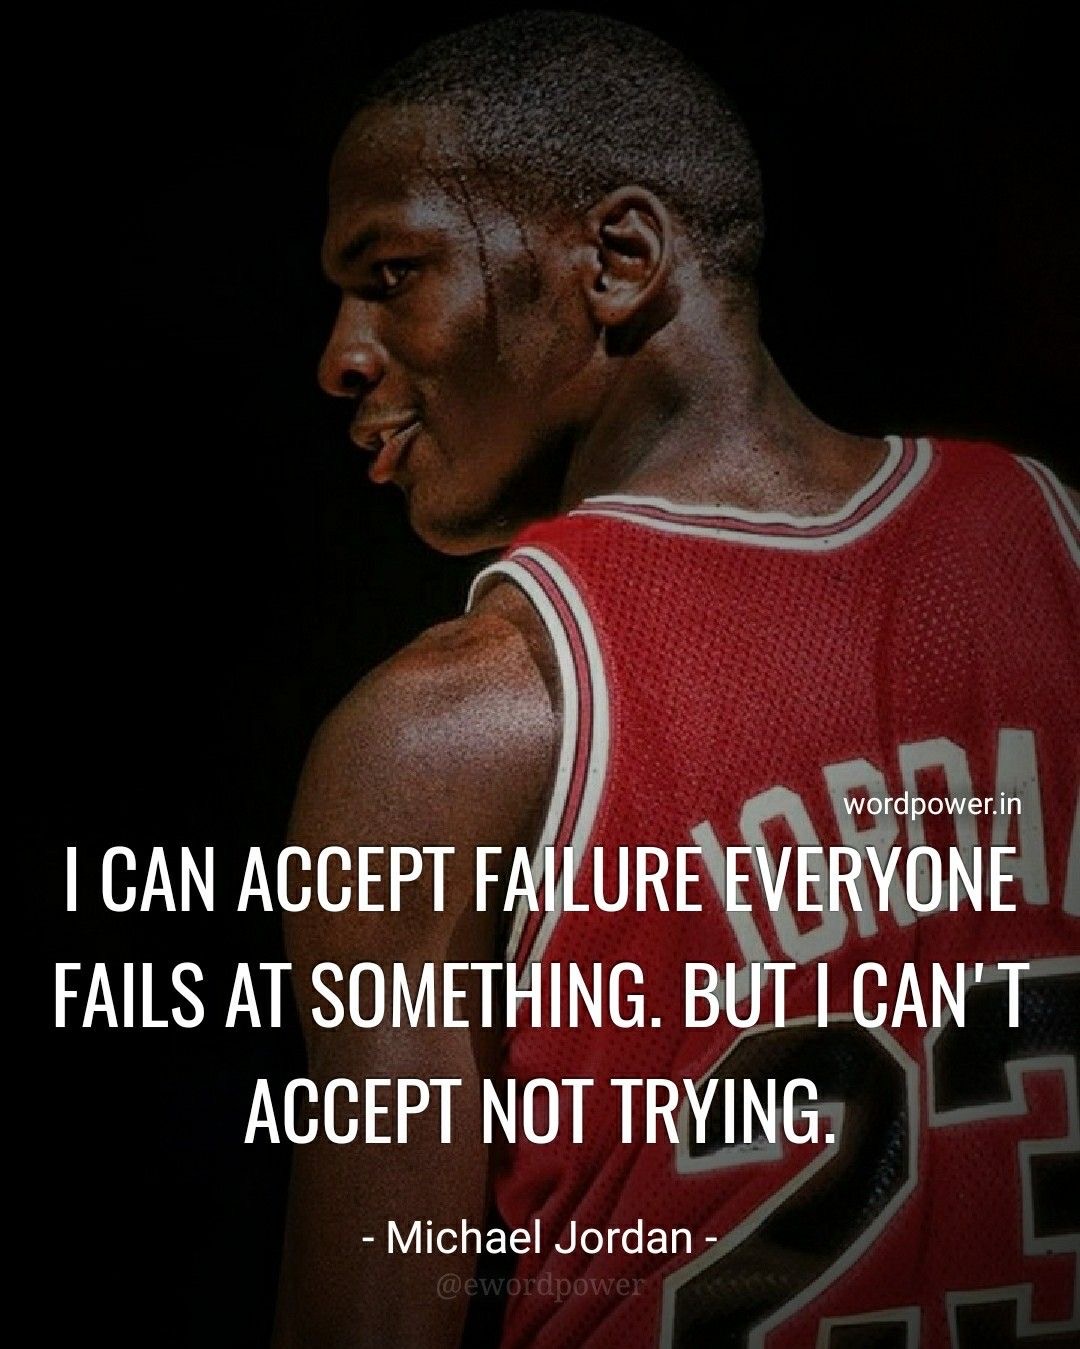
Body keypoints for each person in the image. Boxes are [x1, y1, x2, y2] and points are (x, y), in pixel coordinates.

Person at [274, 12, 1079, 1347]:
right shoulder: (1053, 548)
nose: (340, 355)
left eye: (393, 272)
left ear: (620, 261)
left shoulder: (443, 736)